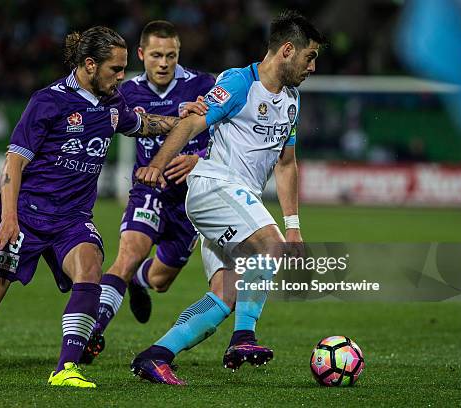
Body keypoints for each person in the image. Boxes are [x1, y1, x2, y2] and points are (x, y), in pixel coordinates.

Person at [0, 26, 205, 389]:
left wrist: (186, 121)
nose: (122, 77)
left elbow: (144, 124)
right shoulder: (48, 102)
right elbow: (13, 163)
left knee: (90, 266)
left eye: (123, 69)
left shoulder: (112, 103)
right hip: (26, 214)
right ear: (90, 65)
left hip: (72, 218)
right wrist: (8, 221)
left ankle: (66, 369)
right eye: (115, 69)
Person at [132, 11, 325, 385]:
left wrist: (295, 227)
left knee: (225, 296)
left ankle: (155, 356)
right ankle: (244, 338)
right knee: (272, 247)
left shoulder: (291, 101)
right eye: (310, 56)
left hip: (235, 202)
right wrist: (157, 164)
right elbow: (191, 122)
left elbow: (286, 165)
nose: (312, 66)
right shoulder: (239, 82)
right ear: (287, 50)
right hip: (214, 187)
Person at [81, 20, 215, 364]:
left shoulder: (204, 86)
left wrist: (197, 159)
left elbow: (226, 137)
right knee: (127, 256)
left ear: (179, 54)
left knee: (160, 280)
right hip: (149, 190)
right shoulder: (124, 91)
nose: (164, 63)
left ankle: (139, 282)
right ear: (141, 54)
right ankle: (91, 331)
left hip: (191, 200)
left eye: (171, 55)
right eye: (156, 55)